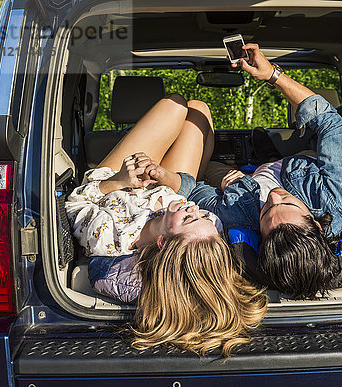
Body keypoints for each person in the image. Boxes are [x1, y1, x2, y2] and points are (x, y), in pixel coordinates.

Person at [66, 94, 267, 356]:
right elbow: (200, 216)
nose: (196, 209)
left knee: (175, 105)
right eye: (203, 217)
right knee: (199, 111)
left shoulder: (108, 236)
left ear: (162, 243)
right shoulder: (201, 232)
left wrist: (118, 180)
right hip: (169, 188)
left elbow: (76, 202)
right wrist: (164, 179)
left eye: (189, 218)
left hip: (114, 182)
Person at [189, 44, 342, 299]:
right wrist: (272, 74)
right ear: (316, 223)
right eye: (288, 203)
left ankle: (263, 157)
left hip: (244, 181)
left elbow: (191, 191)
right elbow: (328, 122)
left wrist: (227, 188)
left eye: (266, 211)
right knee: (273, 155)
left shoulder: (239, 219)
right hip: (295, 163)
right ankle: (269, 154)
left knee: (203, 169)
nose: (273, 197)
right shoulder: (339, 198)